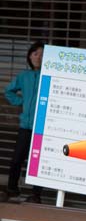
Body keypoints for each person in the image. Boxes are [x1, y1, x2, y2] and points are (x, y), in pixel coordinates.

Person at [1, 41, 44, 203]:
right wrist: (22, 102)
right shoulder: (24, 76)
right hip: (25, 126)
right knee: (17, 159)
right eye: (35, 53)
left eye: (42, 54)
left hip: (42, 127)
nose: (39, 57)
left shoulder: (49, 76)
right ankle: (12, 190)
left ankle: (36, 195)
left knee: (37, 162)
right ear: (30, 56)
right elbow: (8, 91)